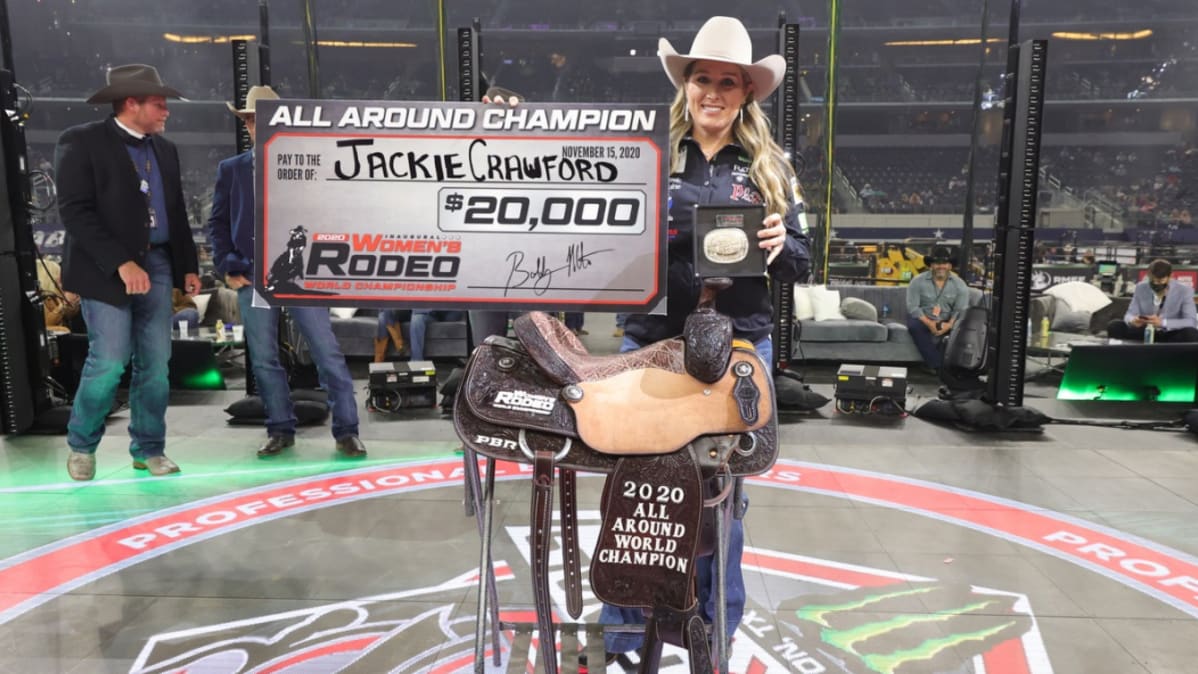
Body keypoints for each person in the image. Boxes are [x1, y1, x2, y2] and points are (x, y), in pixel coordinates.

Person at [600, 16, 811, 659]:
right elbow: (606, 252)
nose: (713, 92)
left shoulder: (772, 168)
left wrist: (780, 245)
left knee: (722, 499)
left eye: (727, 81)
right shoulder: (648, 155)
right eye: (702, 79)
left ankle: (715, 634)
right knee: (636, 494)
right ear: (685, 86)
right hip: (652, 343)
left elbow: (804, 261)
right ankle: (628, 632)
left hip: (741, 349)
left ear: (746, 92)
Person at [57, 64, 200, 480]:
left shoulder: (165, 149)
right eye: (159, 103)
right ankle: (82, 445)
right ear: (131, 103)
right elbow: (75, 212)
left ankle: (149, 448)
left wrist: (186, 266)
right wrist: (121, 262)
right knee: (110, 358)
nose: (166, 111)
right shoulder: (81, 142)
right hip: (104, 268)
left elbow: (176, 212)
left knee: (156, 363)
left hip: (155, 263)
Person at [207, 85, 366, 459]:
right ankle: (280, 428)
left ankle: (347, 430)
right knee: (263, 358)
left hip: (301, 273)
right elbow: (217, 223)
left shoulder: (310, 163)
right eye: (247, 119)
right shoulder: (231, 170)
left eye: (257, 118)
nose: (252, 125)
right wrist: (228, 265)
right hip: (251, 275)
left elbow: (332, 214)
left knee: (326, 352)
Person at [905, 245, 970, 371]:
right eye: (937, 263)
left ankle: (949, 367)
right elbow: (913, 307)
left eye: (945, 263)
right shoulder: (917, 281)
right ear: (931, 265)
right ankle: (939, 367)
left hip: (948, 319)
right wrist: (929, 323)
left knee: (961, 329)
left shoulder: (960, 284)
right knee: (914, 326)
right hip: (923, 318)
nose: (941, 266)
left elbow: (960, 310)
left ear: (950, 266)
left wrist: (949, 325)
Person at [1108, 259, 1198, 342]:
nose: (1155, 284)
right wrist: (1133, 320)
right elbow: (1129, 314)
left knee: (1191, 333)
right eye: (1152, 281)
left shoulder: (1184, 291)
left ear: (1170, 276)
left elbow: (1191, 321)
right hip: (1146, 330)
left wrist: (1162, 323)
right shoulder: (1141, 287)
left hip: (1169, 333)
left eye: (1159, 281)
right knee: (1115, 326)